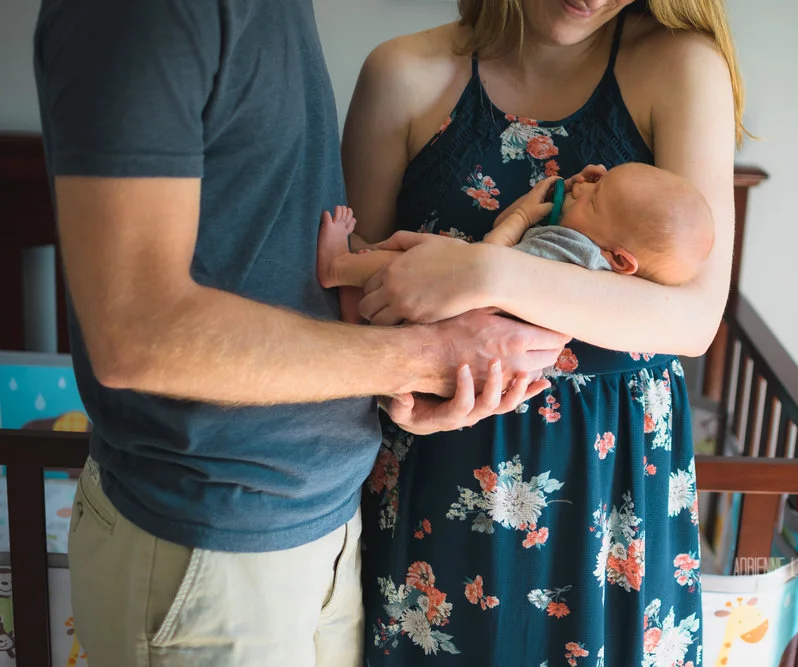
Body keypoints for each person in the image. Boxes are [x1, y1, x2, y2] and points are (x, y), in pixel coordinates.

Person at [31, 1, 571, 665]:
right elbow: (137, 330)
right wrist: (419, 356)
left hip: (315, 527)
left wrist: (396, 377)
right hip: (212, 550)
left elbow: (256, 259)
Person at [342, 0, 745, 664]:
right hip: (441, 461)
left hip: (613, 482)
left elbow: (693, 319)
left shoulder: (680, 68)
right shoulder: (403, 74)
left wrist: (484, 271)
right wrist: (397, 386)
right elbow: (350, 297)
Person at [317, 162, 716, 319]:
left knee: (404, 268)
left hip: (457, 313)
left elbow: (489, 265)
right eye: (597, 182)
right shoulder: (596, 266)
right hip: (460, 321)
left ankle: (339, 266)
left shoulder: (570, 253)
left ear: (619, 259)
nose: (579, 190)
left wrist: (523, 216)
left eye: (593, 202)